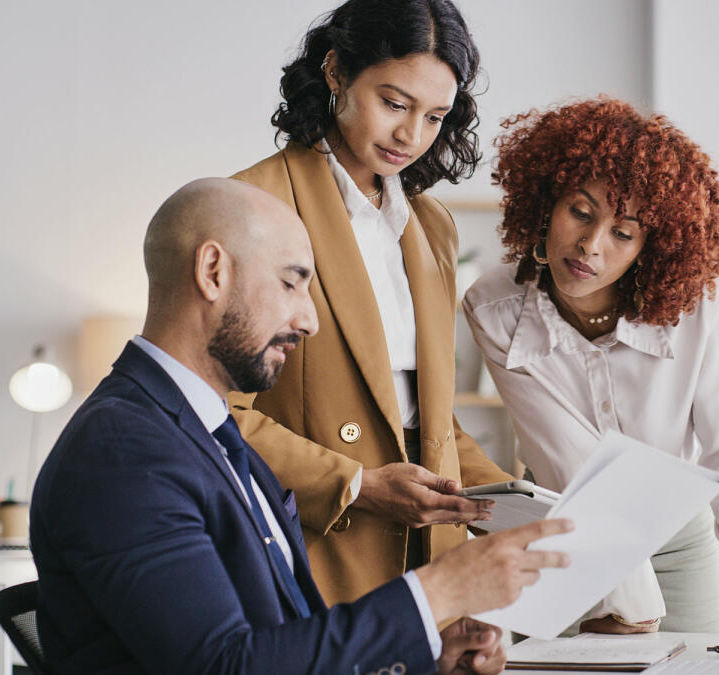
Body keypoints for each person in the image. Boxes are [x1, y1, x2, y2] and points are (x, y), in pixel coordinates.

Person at [30, 178, 572, 674]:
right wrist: (435, 595)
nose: (309, 320)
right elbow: (225, 667)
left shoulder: (207, 431)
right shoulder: (125, 452)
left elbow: (282, 646)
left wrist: (429, 656)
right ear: (212, 272)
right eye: (293, 284)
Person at [462, 99, 719, 640]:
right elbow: (565, 456)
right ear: (548, 201)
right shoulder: (494, 306)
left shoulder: (696, 305)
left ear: (651, 247)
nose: (590, 246)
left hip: (680, 540)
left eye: (623, 233)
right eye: (581, 211)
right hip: (565, 535)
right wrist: (626, 604)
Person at [227, 0, 513, 606]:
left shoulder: (431, 226)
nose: (411, 135)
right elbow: (214, 413)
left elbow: (429, 423)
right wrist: (355, 484)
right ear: (335, 72)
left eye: (435, 116)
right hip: (314, 547)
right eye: (394, 103)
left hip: (429, 555)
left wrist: (520, 504)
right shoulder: (253, 206)